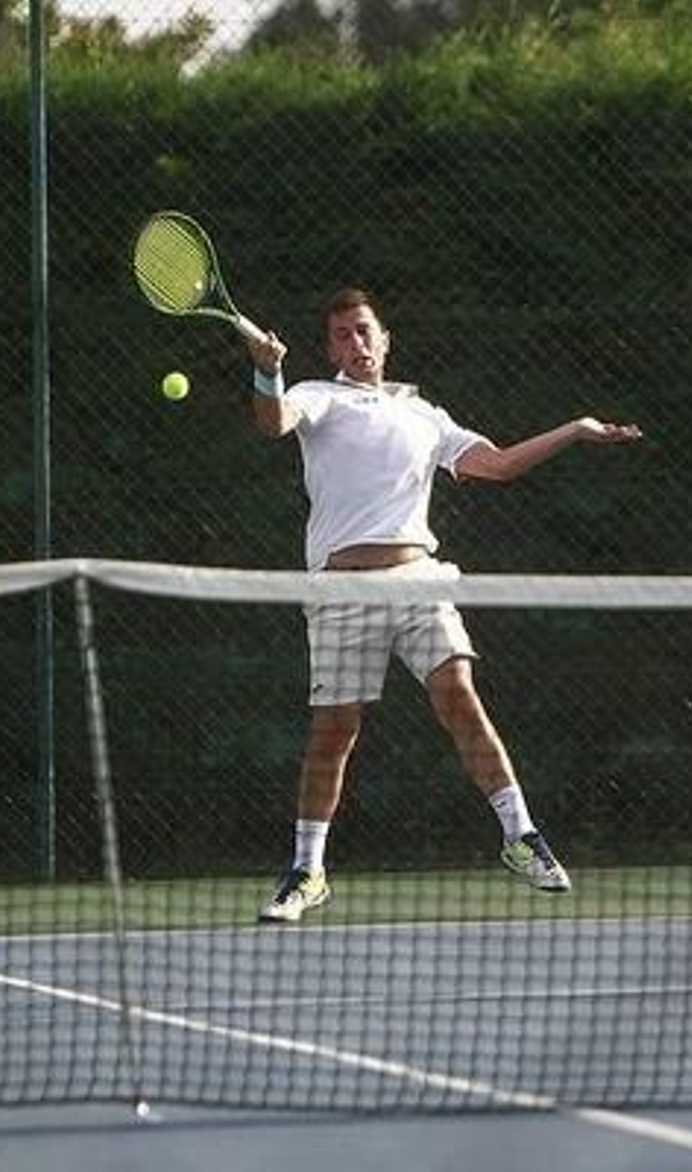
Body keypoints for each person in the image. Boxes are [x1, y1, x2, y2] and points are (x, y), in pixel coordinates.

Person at [245, 287, 643, 922]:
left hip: (420, 579)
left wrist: (576, 429)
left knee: (458, 692)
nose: (357, 342)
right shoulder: (317, 396)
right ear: (331, 350)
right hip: (342, 589)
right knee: (335, 730)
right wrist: (268, 371)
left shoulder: (425, 414)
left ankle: (521, 836)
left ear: (385, 339)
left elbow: (499, 465)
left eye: (365, 330)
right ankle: (307, 871)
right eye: (343, 334)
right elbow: (273, 422)